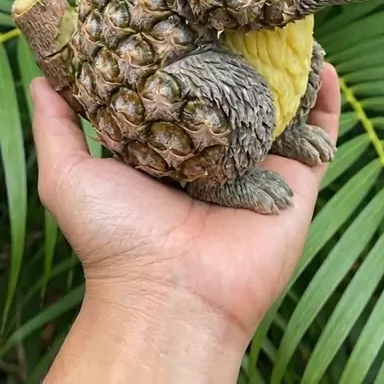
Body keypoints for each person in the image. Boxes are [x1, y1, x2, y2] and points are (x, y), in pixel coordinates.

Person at [31, 63, 341, 383]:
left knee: (307, 60)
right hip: (199, 99)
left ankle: (283, 129)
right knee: (238, 87)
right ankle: (217, 178)